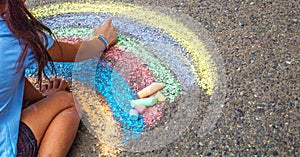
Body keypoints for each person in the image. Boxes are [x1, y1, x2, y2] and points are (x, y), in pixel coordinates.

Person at [0, 0, 117, 156]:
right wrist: (102, 40)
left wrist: (43, 97)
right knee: (68, 102)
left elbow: (8, 78)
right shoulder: (16, 35)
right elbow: (78, 53)